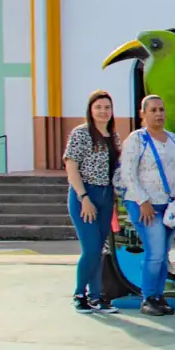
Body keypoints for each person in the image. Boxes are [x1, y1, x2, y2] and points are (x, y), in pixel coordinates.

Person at [119, 95, 175, 317]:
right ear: (143, 113)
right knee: (155, 251)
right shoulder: (136, 139)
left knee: (164, 251)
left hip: (169, 205)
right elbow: (128, 173)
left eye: (161, 109)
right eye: (153, 110)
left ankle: (159, 296)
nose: (158, 114)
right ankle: (148, 297)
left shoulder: (173, 139)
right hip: (145, 204)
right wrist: (142, 201)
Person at [64, 89, 119, 314]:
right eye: (98, 107)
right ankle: (80, 294)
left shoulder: (112, 136)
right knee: (91, 248)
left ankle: (96, 297)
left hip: (106, 196)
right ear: (90, 109)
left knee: (100, 248)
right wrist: (83, 197)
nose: (103, 111)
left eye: (107, 107)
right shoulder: (81, 133)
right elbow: (71, 165)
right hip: (85, 196)